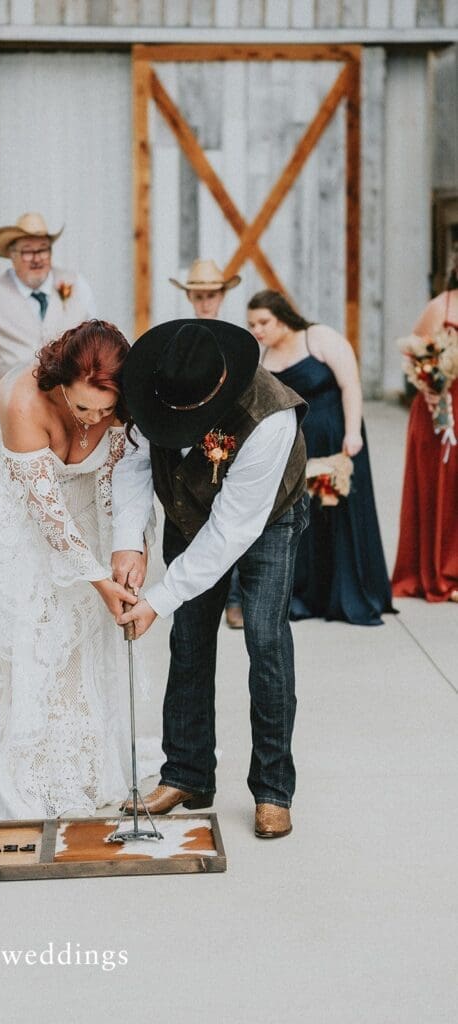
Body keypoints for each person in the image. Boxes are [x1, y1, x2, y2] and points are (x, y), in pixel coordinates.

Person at [0, 320, 156, 821]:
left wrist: (124, 552)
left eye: (106, 409)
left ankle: (80, 753)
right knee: (28, 614)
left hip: (82, 491)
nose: (94, 418)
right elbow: (47, 515)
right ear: (58, 384)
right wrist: (97, 579)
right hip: (13, 500)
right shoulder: (21, 401)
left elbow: (116, 483)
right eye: (82, 408)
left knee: (79, 622)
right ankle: (26, 758)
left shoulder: (120, 405)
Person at [112, 318, 309, 840]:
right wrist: (129, 540)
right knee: (190, 640)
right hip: (187, 510)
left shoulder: (269, 419)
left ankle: (272, 789)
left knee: (266, 641)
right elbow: (133, 466)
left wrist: (158, 597)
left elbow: (231, 531)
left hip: (266, 518)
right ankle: (187, 774)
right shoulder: (152, 380)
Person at [247, 290, 394, 626]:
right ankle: (311, 593)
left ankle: (350, 593)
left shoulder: (319, 337)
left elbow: (351, 385)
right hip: (298, 446)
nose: (258, 329)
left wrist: (352, 432)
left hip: (336, 433)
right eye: (253, 323)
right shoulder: (265, 357)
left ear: (282, 317)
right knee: (305, 518)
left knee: (341, 511)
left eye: (264, 322)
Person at [170, 258, 245, 629]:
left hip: (229, 431)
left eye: (211, 295)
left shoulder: (236, 336)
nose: (204, 303)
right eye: (197, 296)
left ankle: (235, 598)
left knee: (234, 515)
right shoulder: (181, 337)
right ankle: (201, 596)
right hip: (193, 433)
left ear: (222, 295)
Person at [0, 211, 96, 384]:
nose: (37, 259)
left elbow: (95, 341)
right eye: (27, 252)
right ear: (12, 256)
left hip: (68, 399)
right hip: (11, 403)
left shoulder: (78, 285)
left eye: (43, 249)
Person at [392, 282, 458, 602]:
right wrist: (431, 384)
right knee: (442, 487)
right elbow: (414, 352)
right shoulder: (441, 307)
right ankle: (443, 571)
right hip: (443, 407)